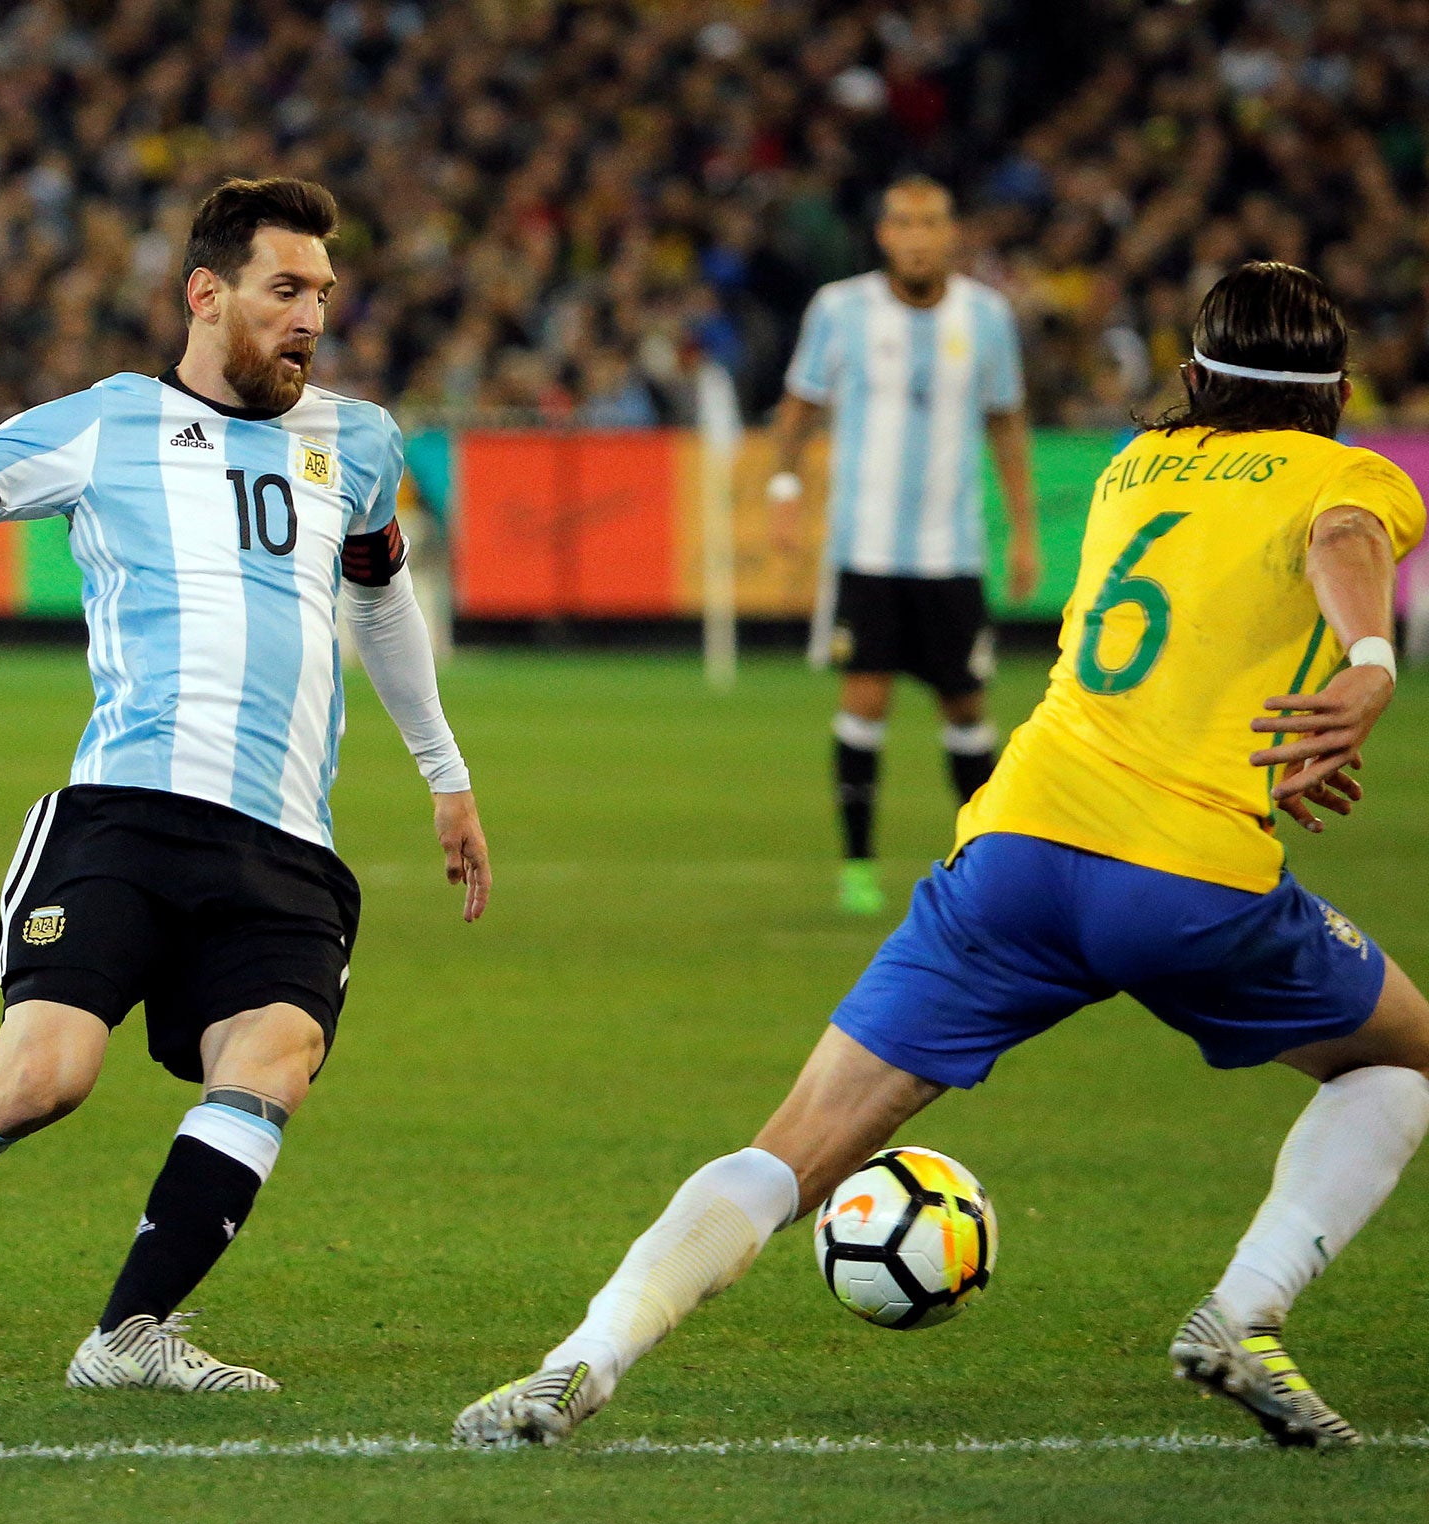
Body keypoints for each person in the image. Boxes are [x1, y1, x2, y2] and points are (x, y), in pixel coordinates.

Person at [458, 262, 1427, 1451]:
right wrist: (1367, 661)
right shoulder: (1352, 476)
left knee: (789, 1148)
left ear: (1189, 377)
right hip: (1184, 873)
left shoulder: (1135, 465)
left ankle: (578, 1360)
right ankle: (1244, 1309)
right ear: (1340, 391)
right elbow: (1335, 537)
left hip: (1014, 848)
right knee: (1399, 1058)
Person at [0, 176, 493, 1390]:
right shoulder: (104, 423)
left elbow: (379, 594)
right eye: (285, 291)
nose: (311, 320)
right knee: (41, 1079)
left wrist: (442, 771)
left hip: (283, 838)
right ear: (205, 294)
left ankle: (129, 1336)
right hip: (124, 815)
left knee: (271, 1060)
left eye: (324, 297)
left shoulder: (358, 439)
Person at [768, 176, 1038, 915]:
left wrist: (1023, 533)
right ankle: (857, 867)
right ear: (883, 234)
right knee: (864, 698)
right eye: (903, 222)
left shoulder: (986, 317)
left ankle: (982, 872)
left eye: (932, 221)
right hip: (866, 550)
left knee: (967, 709)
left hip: (952, 553)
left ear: (953, 234)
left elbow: (1007, 424)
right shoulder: (841, 309)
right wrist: (784, 492)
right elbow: (799, 407)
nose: (918, 235)